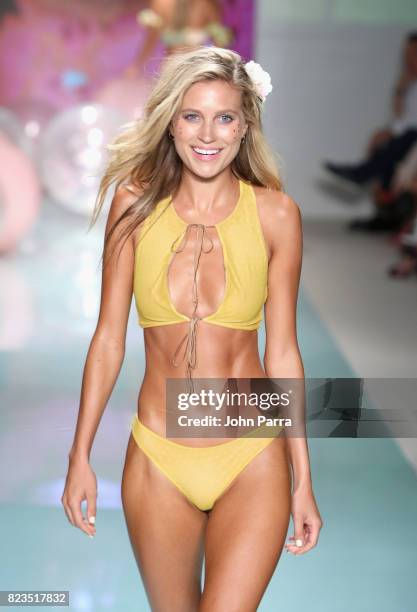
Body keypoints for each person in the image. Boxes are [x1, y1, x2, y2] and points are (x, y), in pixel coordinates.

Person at [61, 46, 322, 611]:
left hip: (251, 455)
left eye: (225, 116)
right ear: (170, 123)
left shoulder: (277, 214)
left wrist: (303, 476)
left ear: (245, 125)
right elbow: (109, 337)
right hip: (158, 457)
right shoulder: (132, 206)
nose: (209, 133)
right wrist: (78, 455)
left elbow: (281, 353)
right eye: (192, 115)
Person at [323, 31, 417, 192]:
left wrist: (392, 132)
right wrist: (401, 91)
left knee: (403, 141)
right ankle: (387, 206)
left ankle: (361, 174)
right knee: (385, 147)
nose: (408, 59)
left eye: (412, 54)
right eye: (406, 54)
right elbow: (404, 119)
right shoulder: (409, 83)